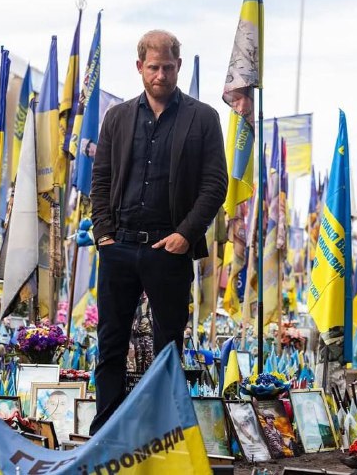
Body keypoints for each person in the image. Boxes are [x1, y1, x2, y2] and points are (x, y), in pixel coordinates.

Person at [89, 30, 227, 434]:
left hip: (169, 249)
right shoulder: (117, 117)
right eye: (153, 67)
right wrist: (104, 234)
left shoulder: (203, 118)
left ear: (178, 66)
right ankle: (106, 434)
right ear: (139, 67)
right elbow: (101, 179)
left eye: (168, 67)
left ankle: (164, 435)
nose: (161, 75)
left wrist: (186, 234)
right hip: (119, 246)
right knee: (110, 346)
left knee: (168, 349)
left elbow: (215, 184)